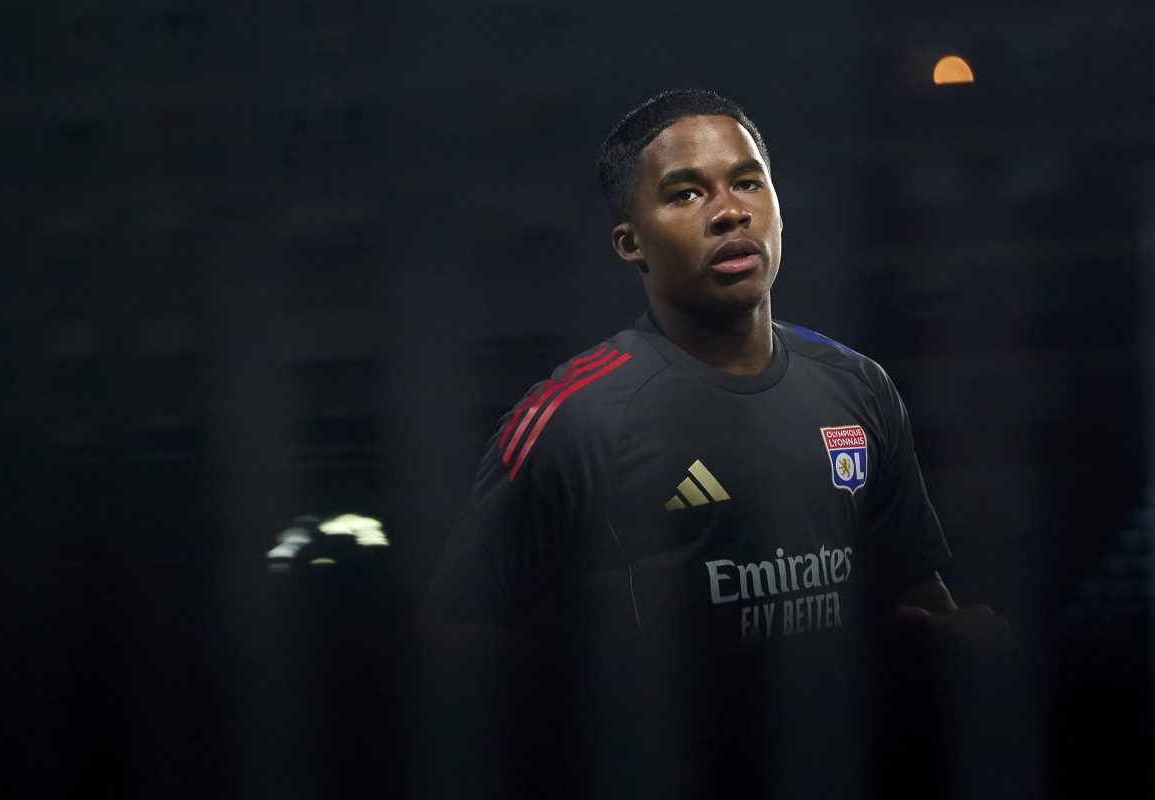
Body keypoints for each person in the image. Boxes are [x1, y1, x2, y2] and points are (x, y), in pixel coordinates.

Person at [422, 89, 1010, 800]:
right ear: (630, 242)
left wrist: (957, 645)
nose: (730, 212)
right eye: (686, 193)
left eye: (748, 182)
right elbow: (457, 640)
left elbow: (909, 587)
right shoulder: (574, 419)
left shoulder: (858, 386)